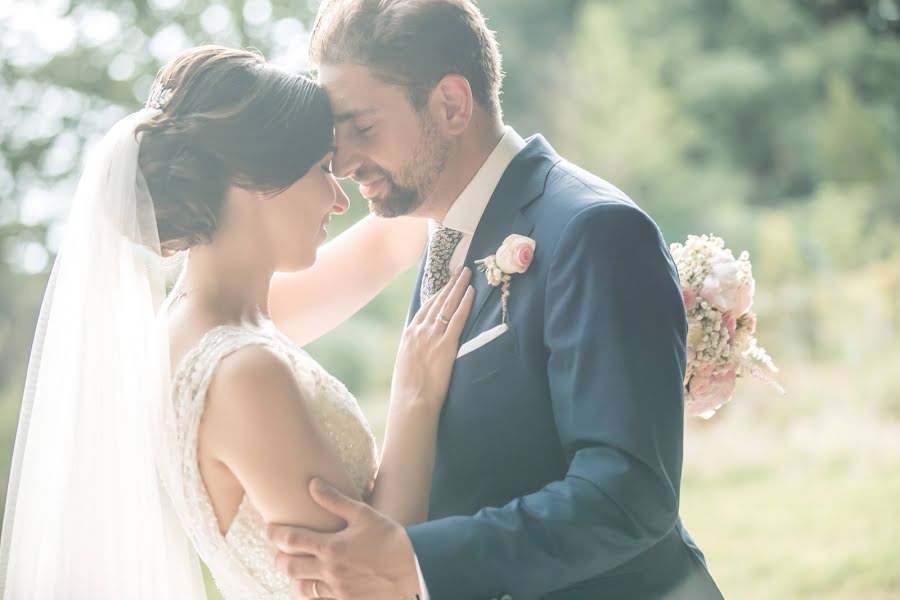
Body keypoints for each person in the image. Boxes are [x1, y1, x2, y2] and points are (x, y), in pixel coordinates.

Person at [265, 1, 724, 598]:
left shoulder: (593, 229)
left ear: (451, 104)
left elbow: (628, 494)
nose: (345, 162)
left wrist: (414, 558)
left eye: (364, 128)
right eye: (337, 136)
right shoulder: (440, 227)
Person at [0, 45, 473, 599]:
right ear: (253, 178)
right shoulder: (240, 370)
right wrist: (414, 397)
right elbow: (378, 587)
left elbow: (384, 246)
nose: (339, 197)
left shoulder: (203, 323)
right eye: (323, 168)